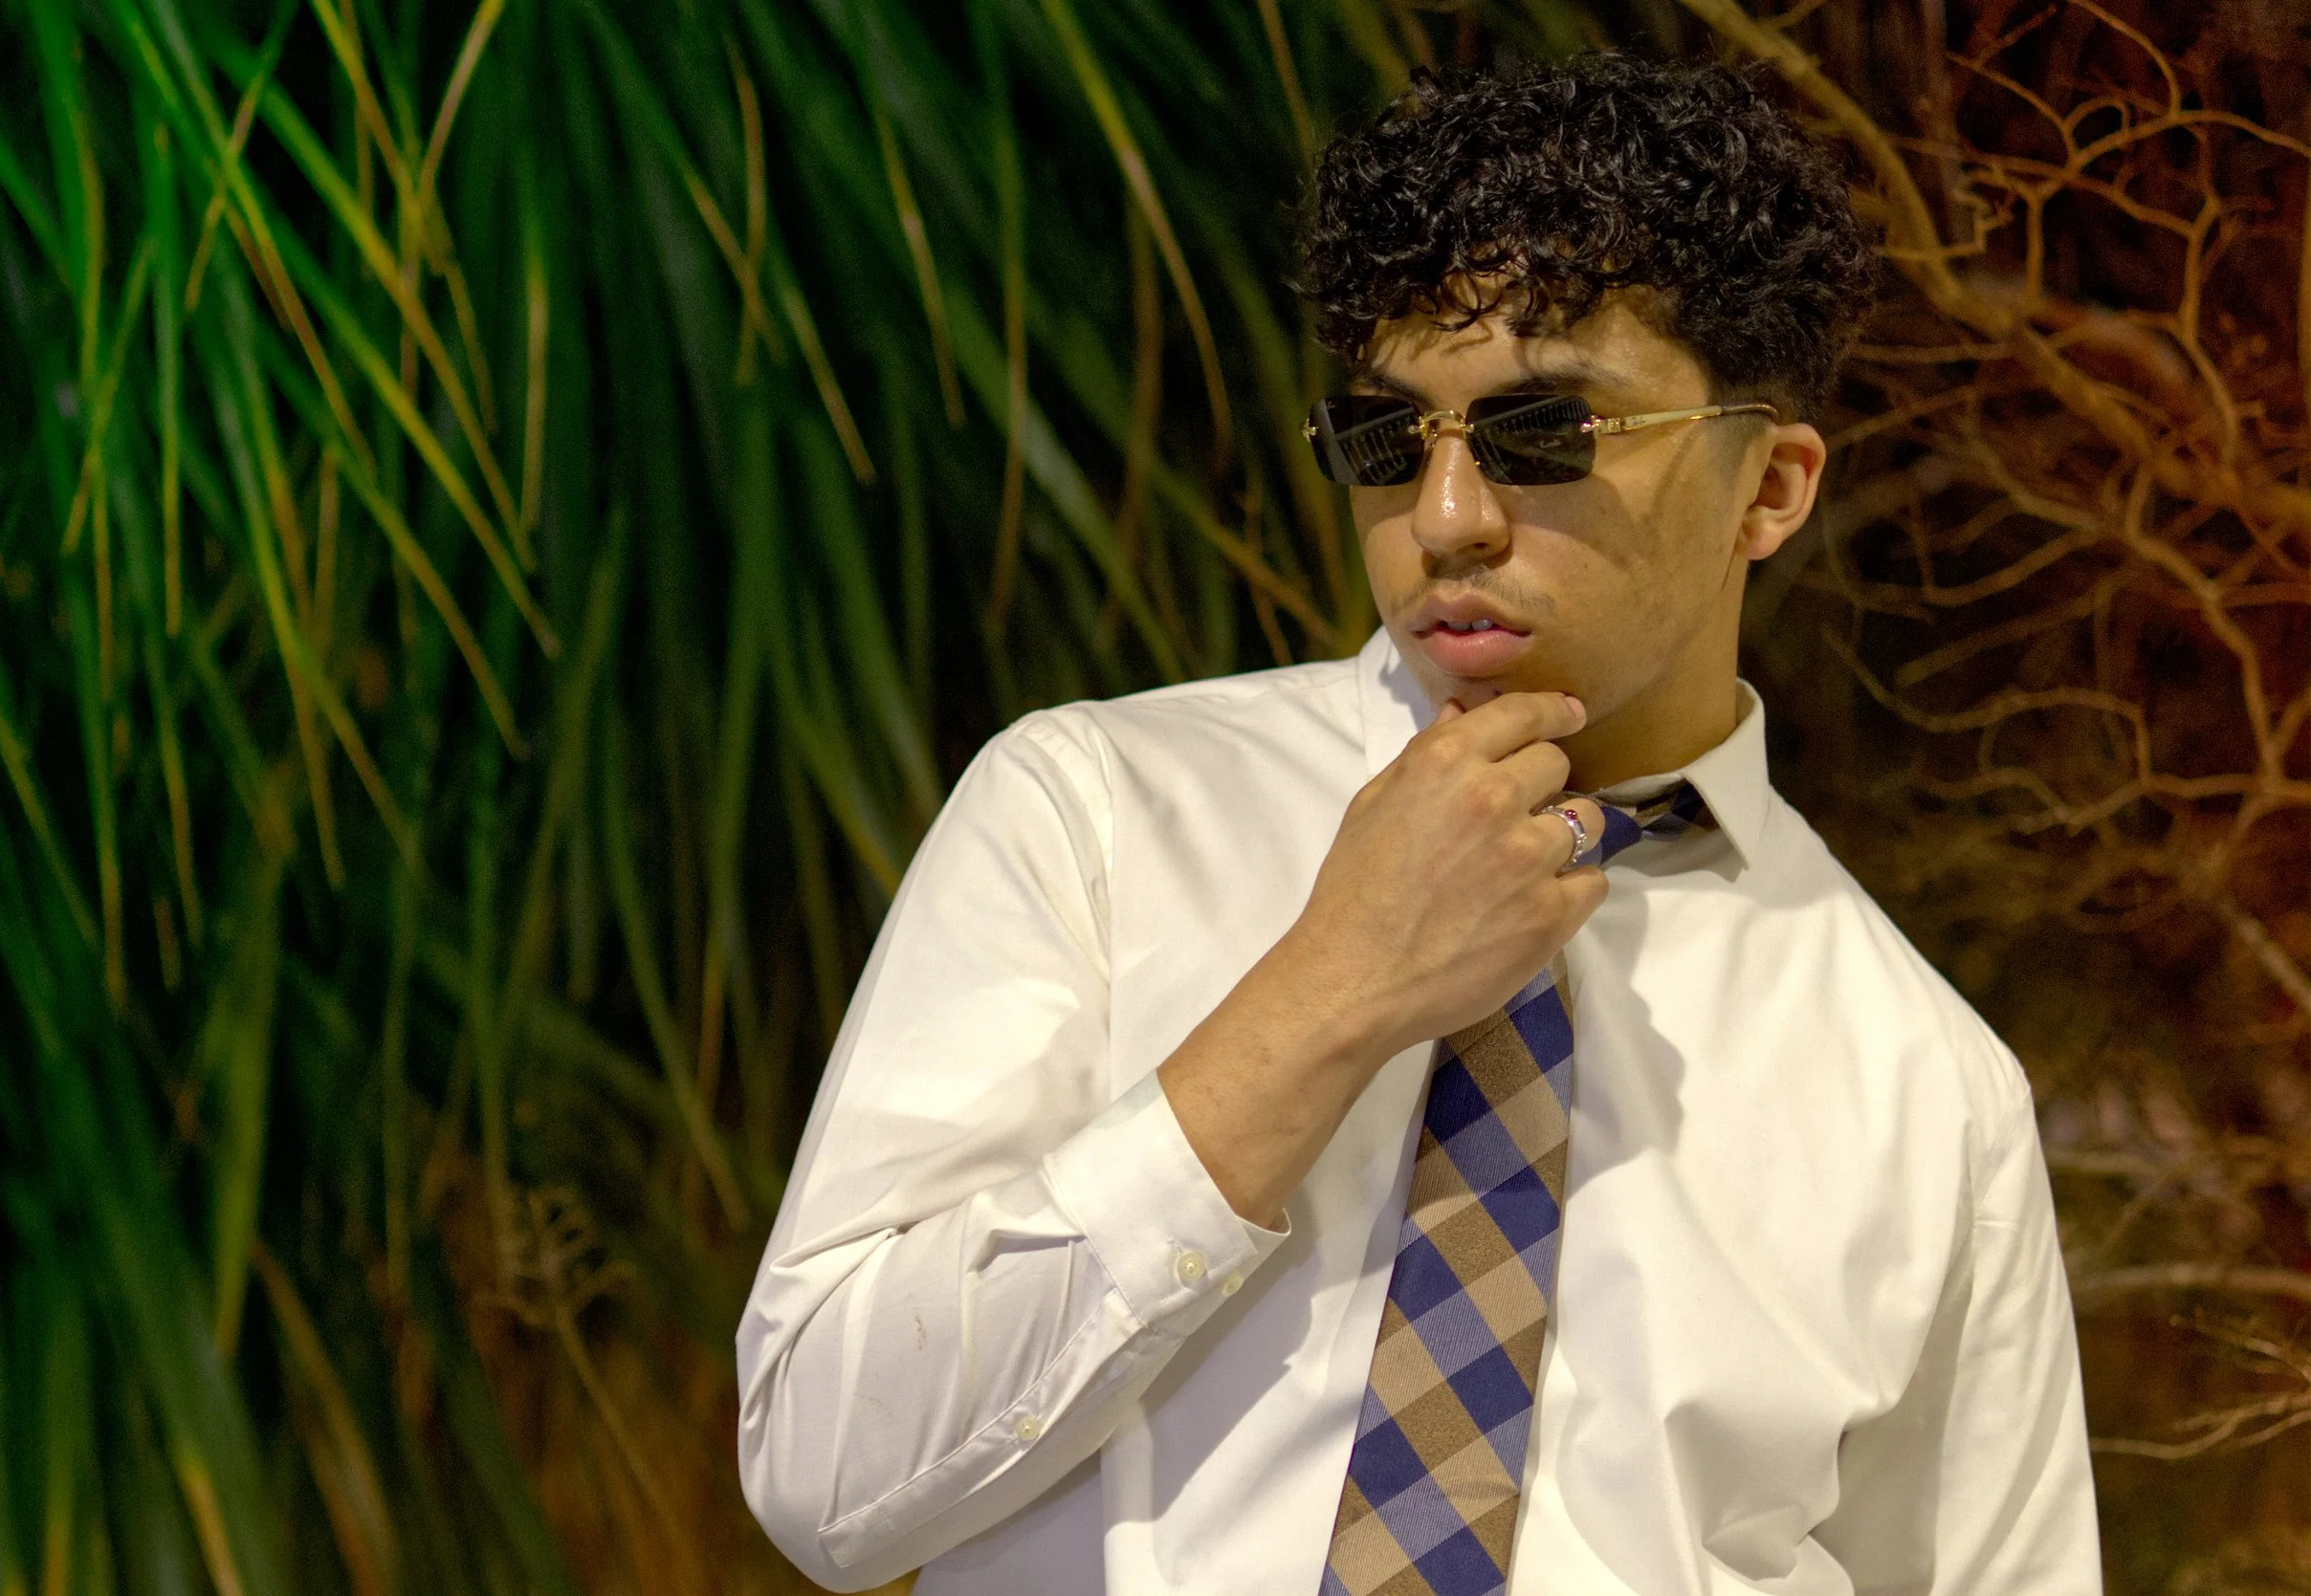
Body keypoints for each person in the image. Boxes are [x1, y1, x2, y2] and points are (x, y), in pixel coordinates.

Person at [737, 51, 2100, 1596]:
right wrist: (1325, 997)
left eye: (1541, 434)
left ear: (1771, 488)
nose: (1447, 515)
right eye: (1393, 440)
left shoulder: (1928, 1086)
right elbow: (822, 1474)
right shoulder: (1095, 817)